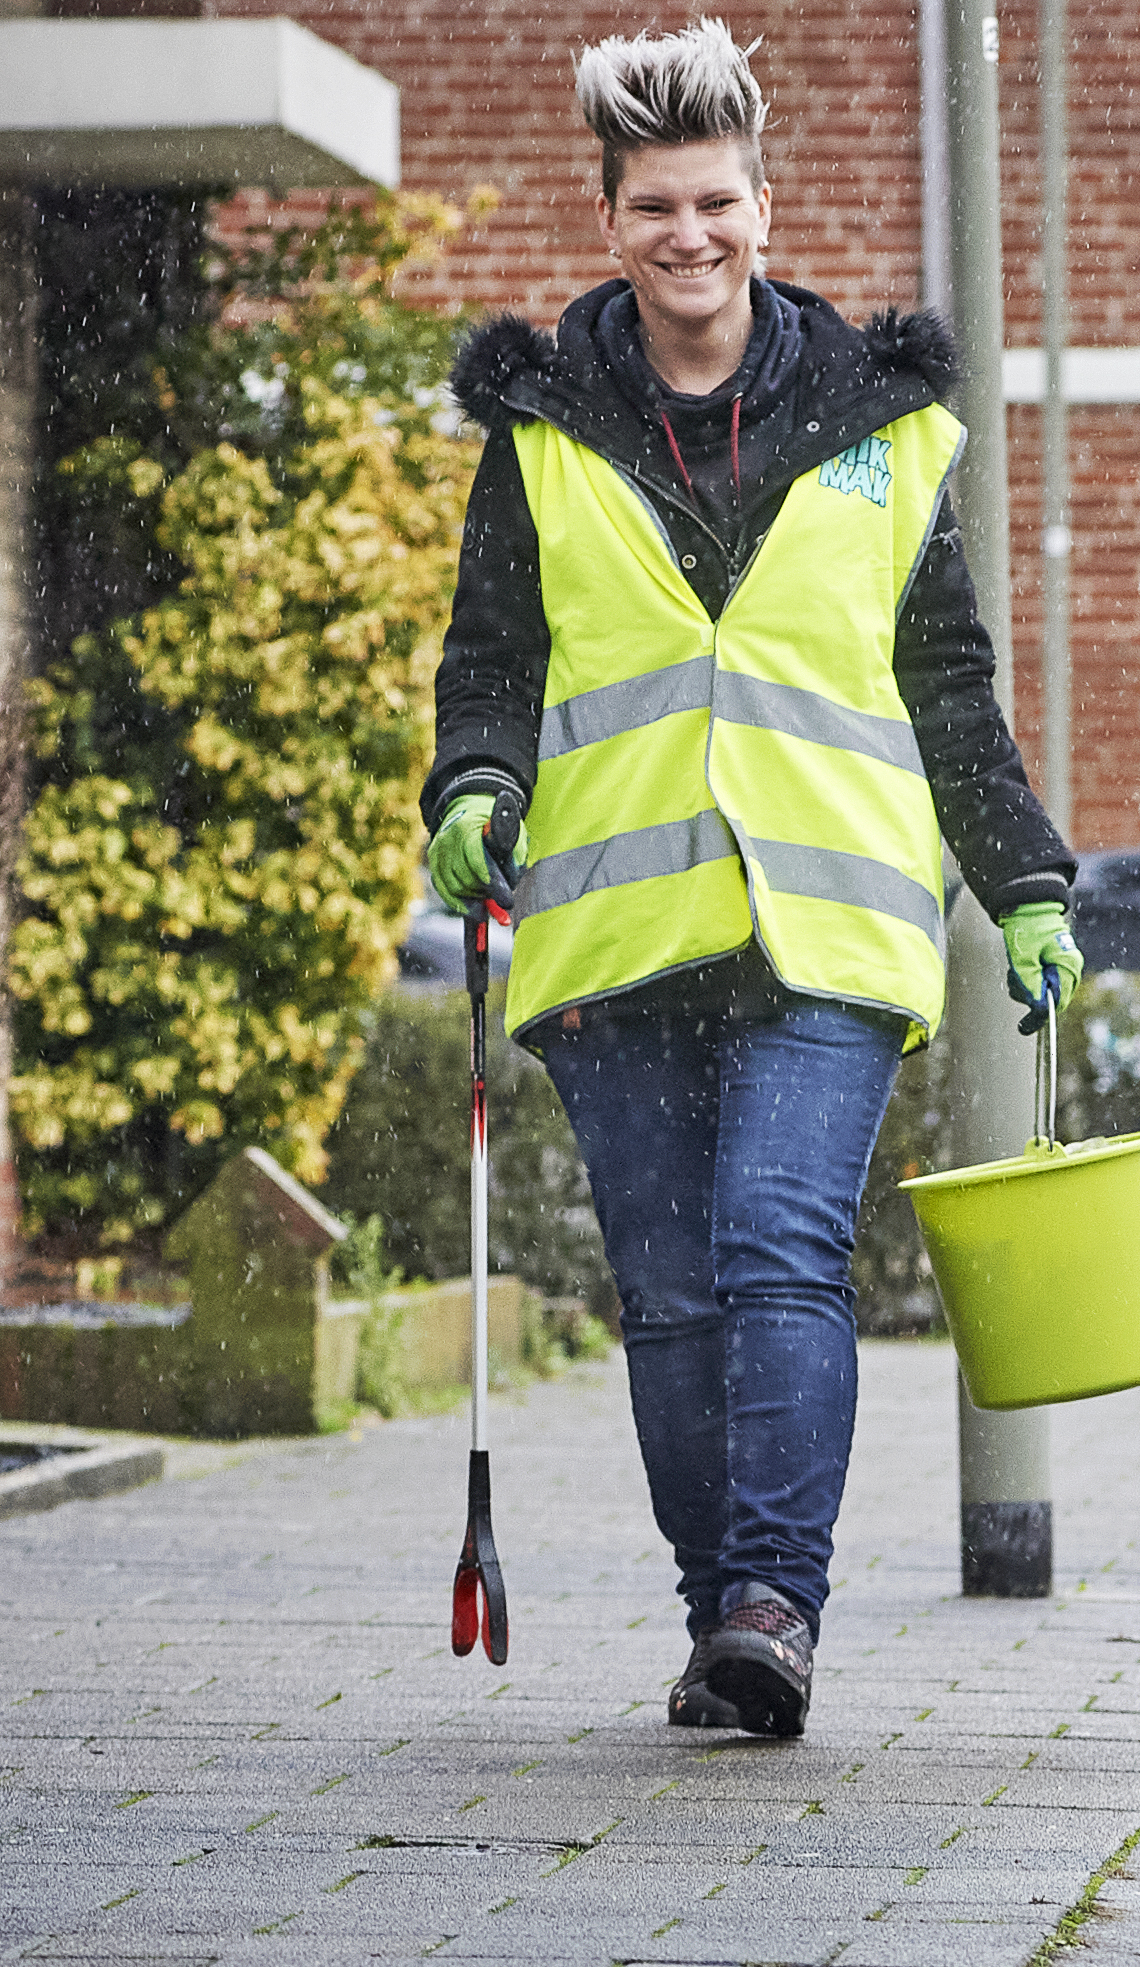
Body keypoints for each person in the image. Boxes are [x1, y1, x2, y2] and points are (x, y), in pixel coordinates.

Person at [421, 19, 1079, 1739]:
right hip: (622, 918)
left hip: (827, 917)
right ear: (612, 219)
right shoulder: (547, 430)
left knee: (781, 1254)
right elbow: (490, 659)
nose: (688, 234)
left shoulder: (886, 426)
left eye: (715, 201)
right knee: (673, 1294)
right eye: (655, 206)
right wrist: (475, 790)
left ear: (766, 210)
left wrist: (1022, 883)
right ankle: (721, 1610)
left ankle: (779, 1602)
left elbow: (946, 679)